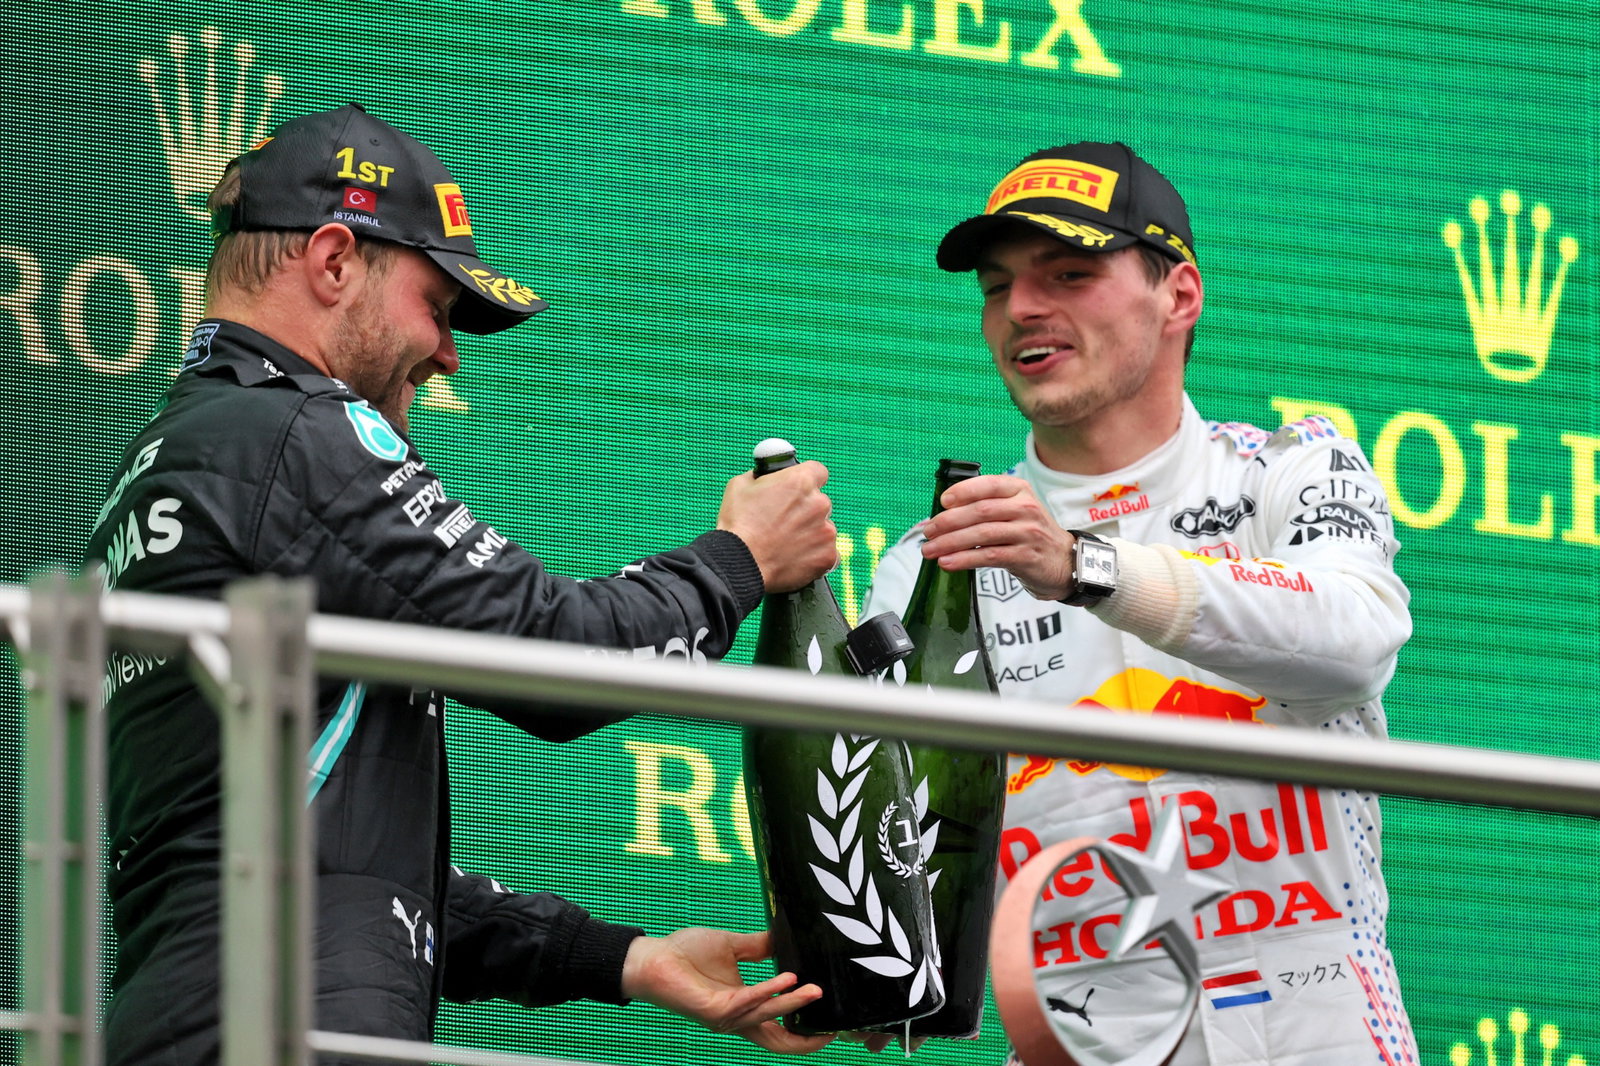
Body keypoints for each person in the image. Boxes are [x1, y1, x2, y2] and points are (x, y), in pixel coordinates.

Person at [87, 104, 840, 1064]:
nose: (447, 354)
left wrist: (627, 958)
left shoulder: (185, 454)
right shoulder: (289, 433)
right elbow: (559, 661)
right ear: (331, 261)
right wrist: (738, 562)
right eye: (436, 310)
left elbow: (349, 878)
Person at [864, 143, 1418, 1064]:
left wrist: (1084, 567)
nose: (1022, 310)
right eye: (997, 287)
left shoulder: (1293, 468)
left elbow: (1355, 642)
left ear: (1180, 295)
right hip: (1074, 1039)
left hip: (1318, 1028)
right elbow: (905, 823)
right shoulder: (934, 562)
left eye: (1071, 273)